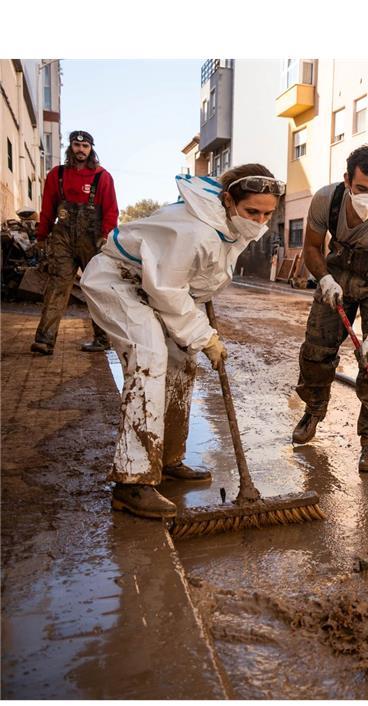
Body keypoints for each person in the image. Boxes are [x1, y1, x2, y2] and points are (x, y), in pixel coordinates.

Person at [79, 165, 283, 518]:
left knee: (181, 361)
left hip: (154, 286)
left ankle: (167, 458)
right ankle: (132, 481)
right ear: (229, 199)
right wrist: (206, 336)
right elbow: (168, 291)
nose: (260, 220)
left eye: (268, 213)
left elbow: (195, 280)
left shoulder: (229, 226)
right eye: (252, 212)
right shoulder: (197, 228)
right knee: (150, 357)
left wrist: (198, 328)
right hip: (119, 280)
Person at [290, 145, 368, 473]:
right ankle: (314, 408)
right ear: (347, 181)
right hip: (336, 273)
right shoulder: (326, 200)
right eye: (362, 189)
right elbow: (311, 247)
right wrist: (324, 279)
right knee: (315, 349)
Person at [31, 130, 118, 355]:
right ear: (70, 147)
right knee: (58, 286)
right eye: (77, 146)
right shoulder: (57, 175)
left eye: (85, 146)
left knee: (94, 288)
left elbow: (111, 210)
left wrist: (104, 235)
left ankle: (102, 338)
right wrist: (42, 236)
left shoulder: (102, 177)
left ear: (91, 149)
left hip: (93, 239)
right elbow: (48, 208)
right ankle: (44, 340)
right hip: (63, 238)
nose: (81, 150)